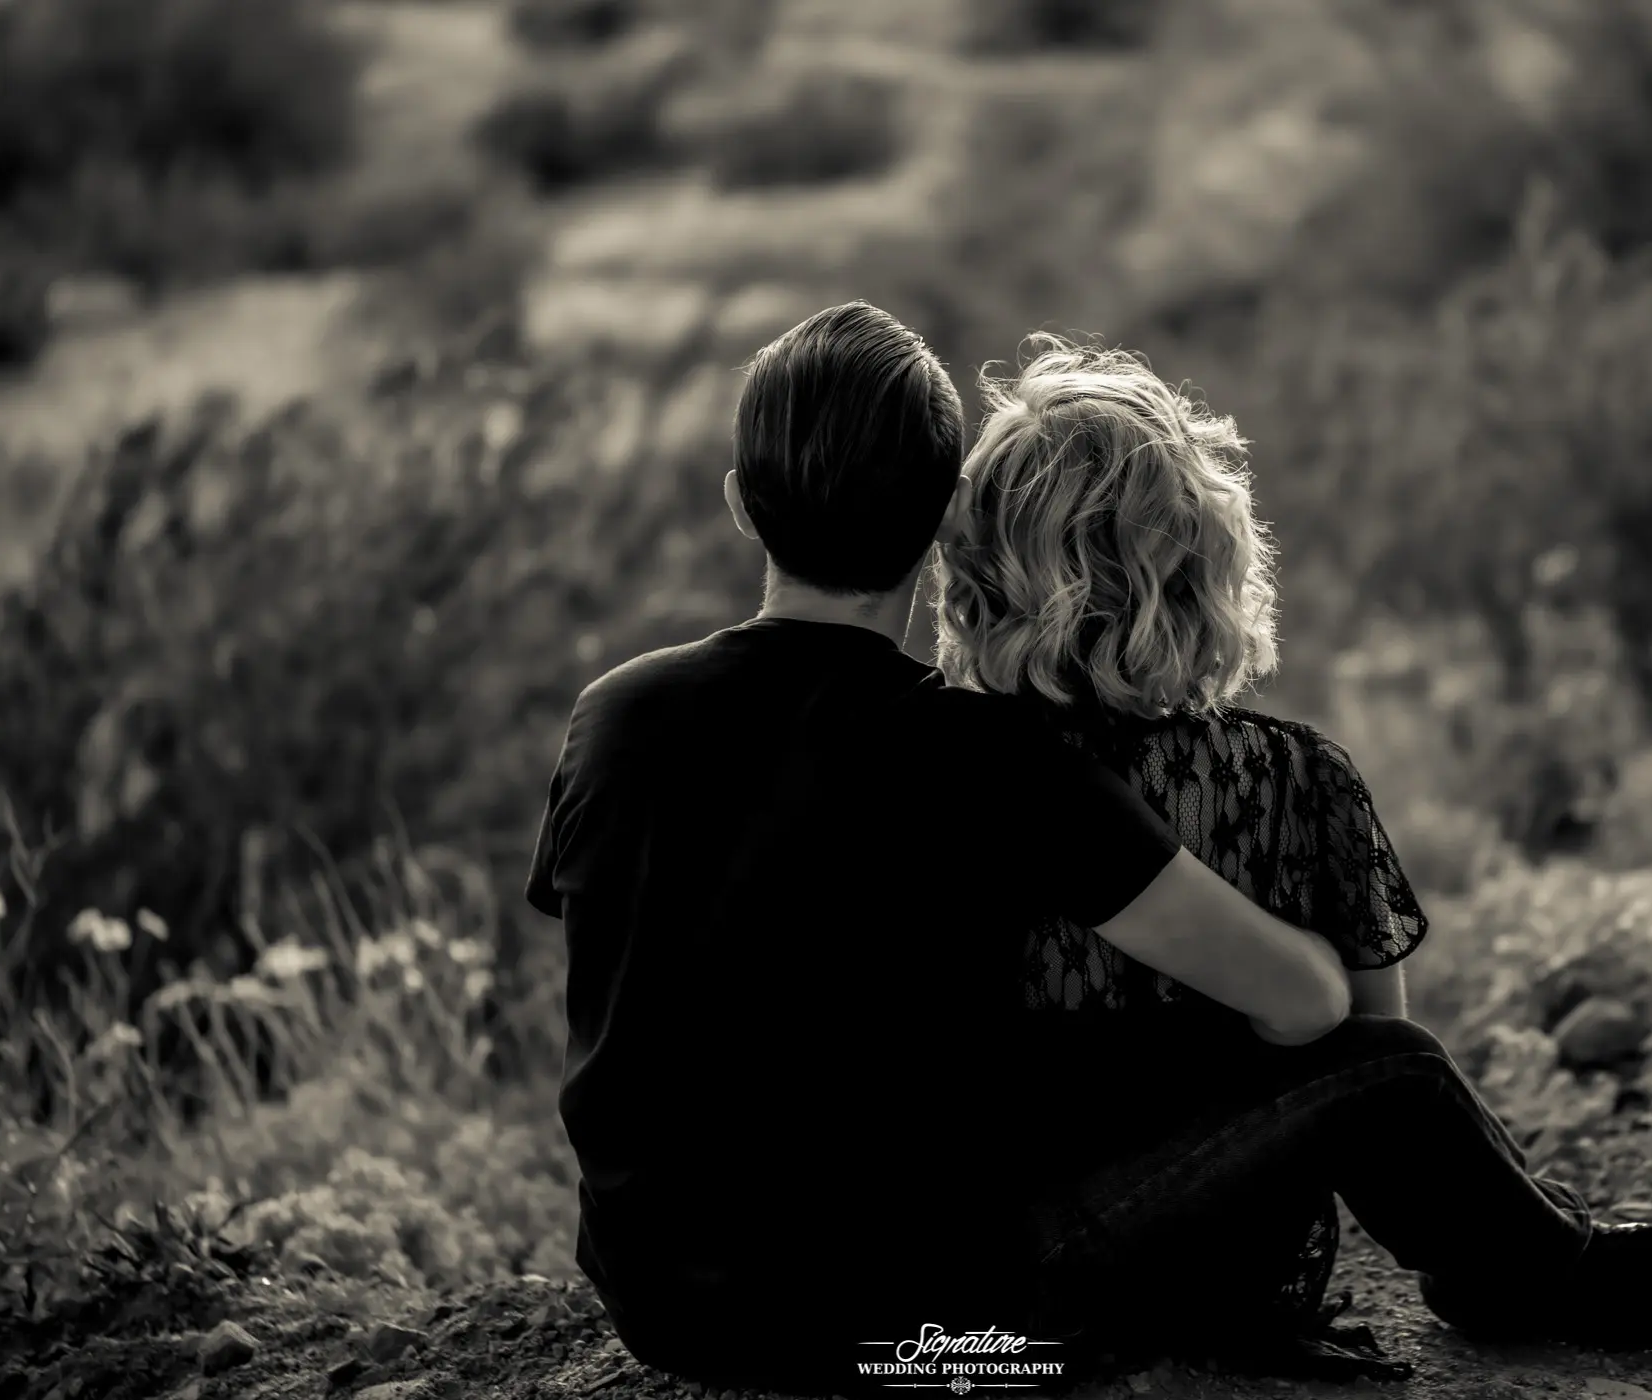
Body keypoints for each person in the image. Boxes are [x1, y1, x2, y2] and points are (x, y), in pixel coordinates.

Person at [525, 303, 1361, 1396]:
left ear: (741, 506)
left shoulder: (614, 713)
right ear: (941, 522)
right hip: (920, 1338)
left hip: (661, 1309)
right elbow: (1302, 997)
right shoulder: (986, 752)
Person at [931, 334, 1652, 1376]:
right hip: (1205, 1263)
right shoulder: (1292, 779)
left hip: (971, 1271)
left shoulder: (934, 768)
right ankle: (1535, 1262)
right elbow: (1366, 1055)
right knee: (1393, 1068)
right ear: (1200, 563)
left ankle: (1513, 1254)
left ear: (981, 571)